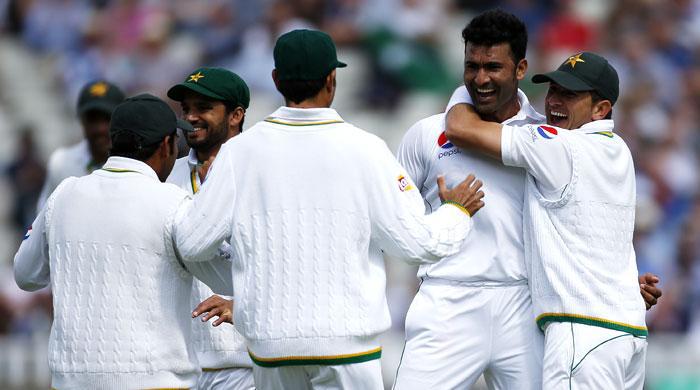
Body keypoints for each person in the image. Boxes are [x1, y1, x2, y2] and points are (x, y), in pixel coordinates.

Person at [173, 29, 485, 389]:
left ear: (276, 79)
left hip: (271, 345)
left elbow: (191, 244)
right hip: (346, 345)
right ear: (332, 80)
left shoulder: (239, 153)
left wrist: (249, 286)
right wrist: (457, 213)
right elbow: (417, 245)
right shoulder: (365, 149)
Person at [394, 9, 661, 390]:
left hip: (527, 304)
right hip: (448, 298)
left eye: (493, 67)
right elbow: (398, 220)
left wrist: (614, 285)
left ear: (520, 68)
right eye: (471, 66)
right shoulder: (425, 133)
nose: (480, 78)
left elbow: (582, 221)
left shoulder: (551, 137)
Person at [444, 51, 648, 389]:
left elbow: (459, 128)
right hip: (627, 332)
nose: (554, 101)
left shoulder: (561, 147)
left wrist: (468, 90)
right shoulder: (620, 150)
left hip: (581, 332)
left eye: (569, 94)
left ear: (601, 108)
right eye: (553, 90)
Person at [13, 94, 234, 389]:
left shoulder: (64, 195)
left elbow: (26, 275)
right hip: (154, 381)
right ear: (167, 145)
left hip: (72, 382)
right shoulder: (174, 203)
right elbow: (228, 279)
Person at [166, 67, 254, 390]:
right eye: (185, 108)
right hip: (182, 368)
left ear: (236, 115)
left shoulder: (261, 172)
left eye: (203, 108)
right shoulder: (167, 175)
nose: (190, 116)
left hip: (248, 367)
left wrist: (240, 306)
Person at [37, 80, 125, 209]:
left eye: (108, 118)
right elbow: (44, 216)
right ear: (81, 121)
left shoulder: (138, 163)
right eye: (92, 119)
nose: (100, 128)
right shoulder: (62, 163)